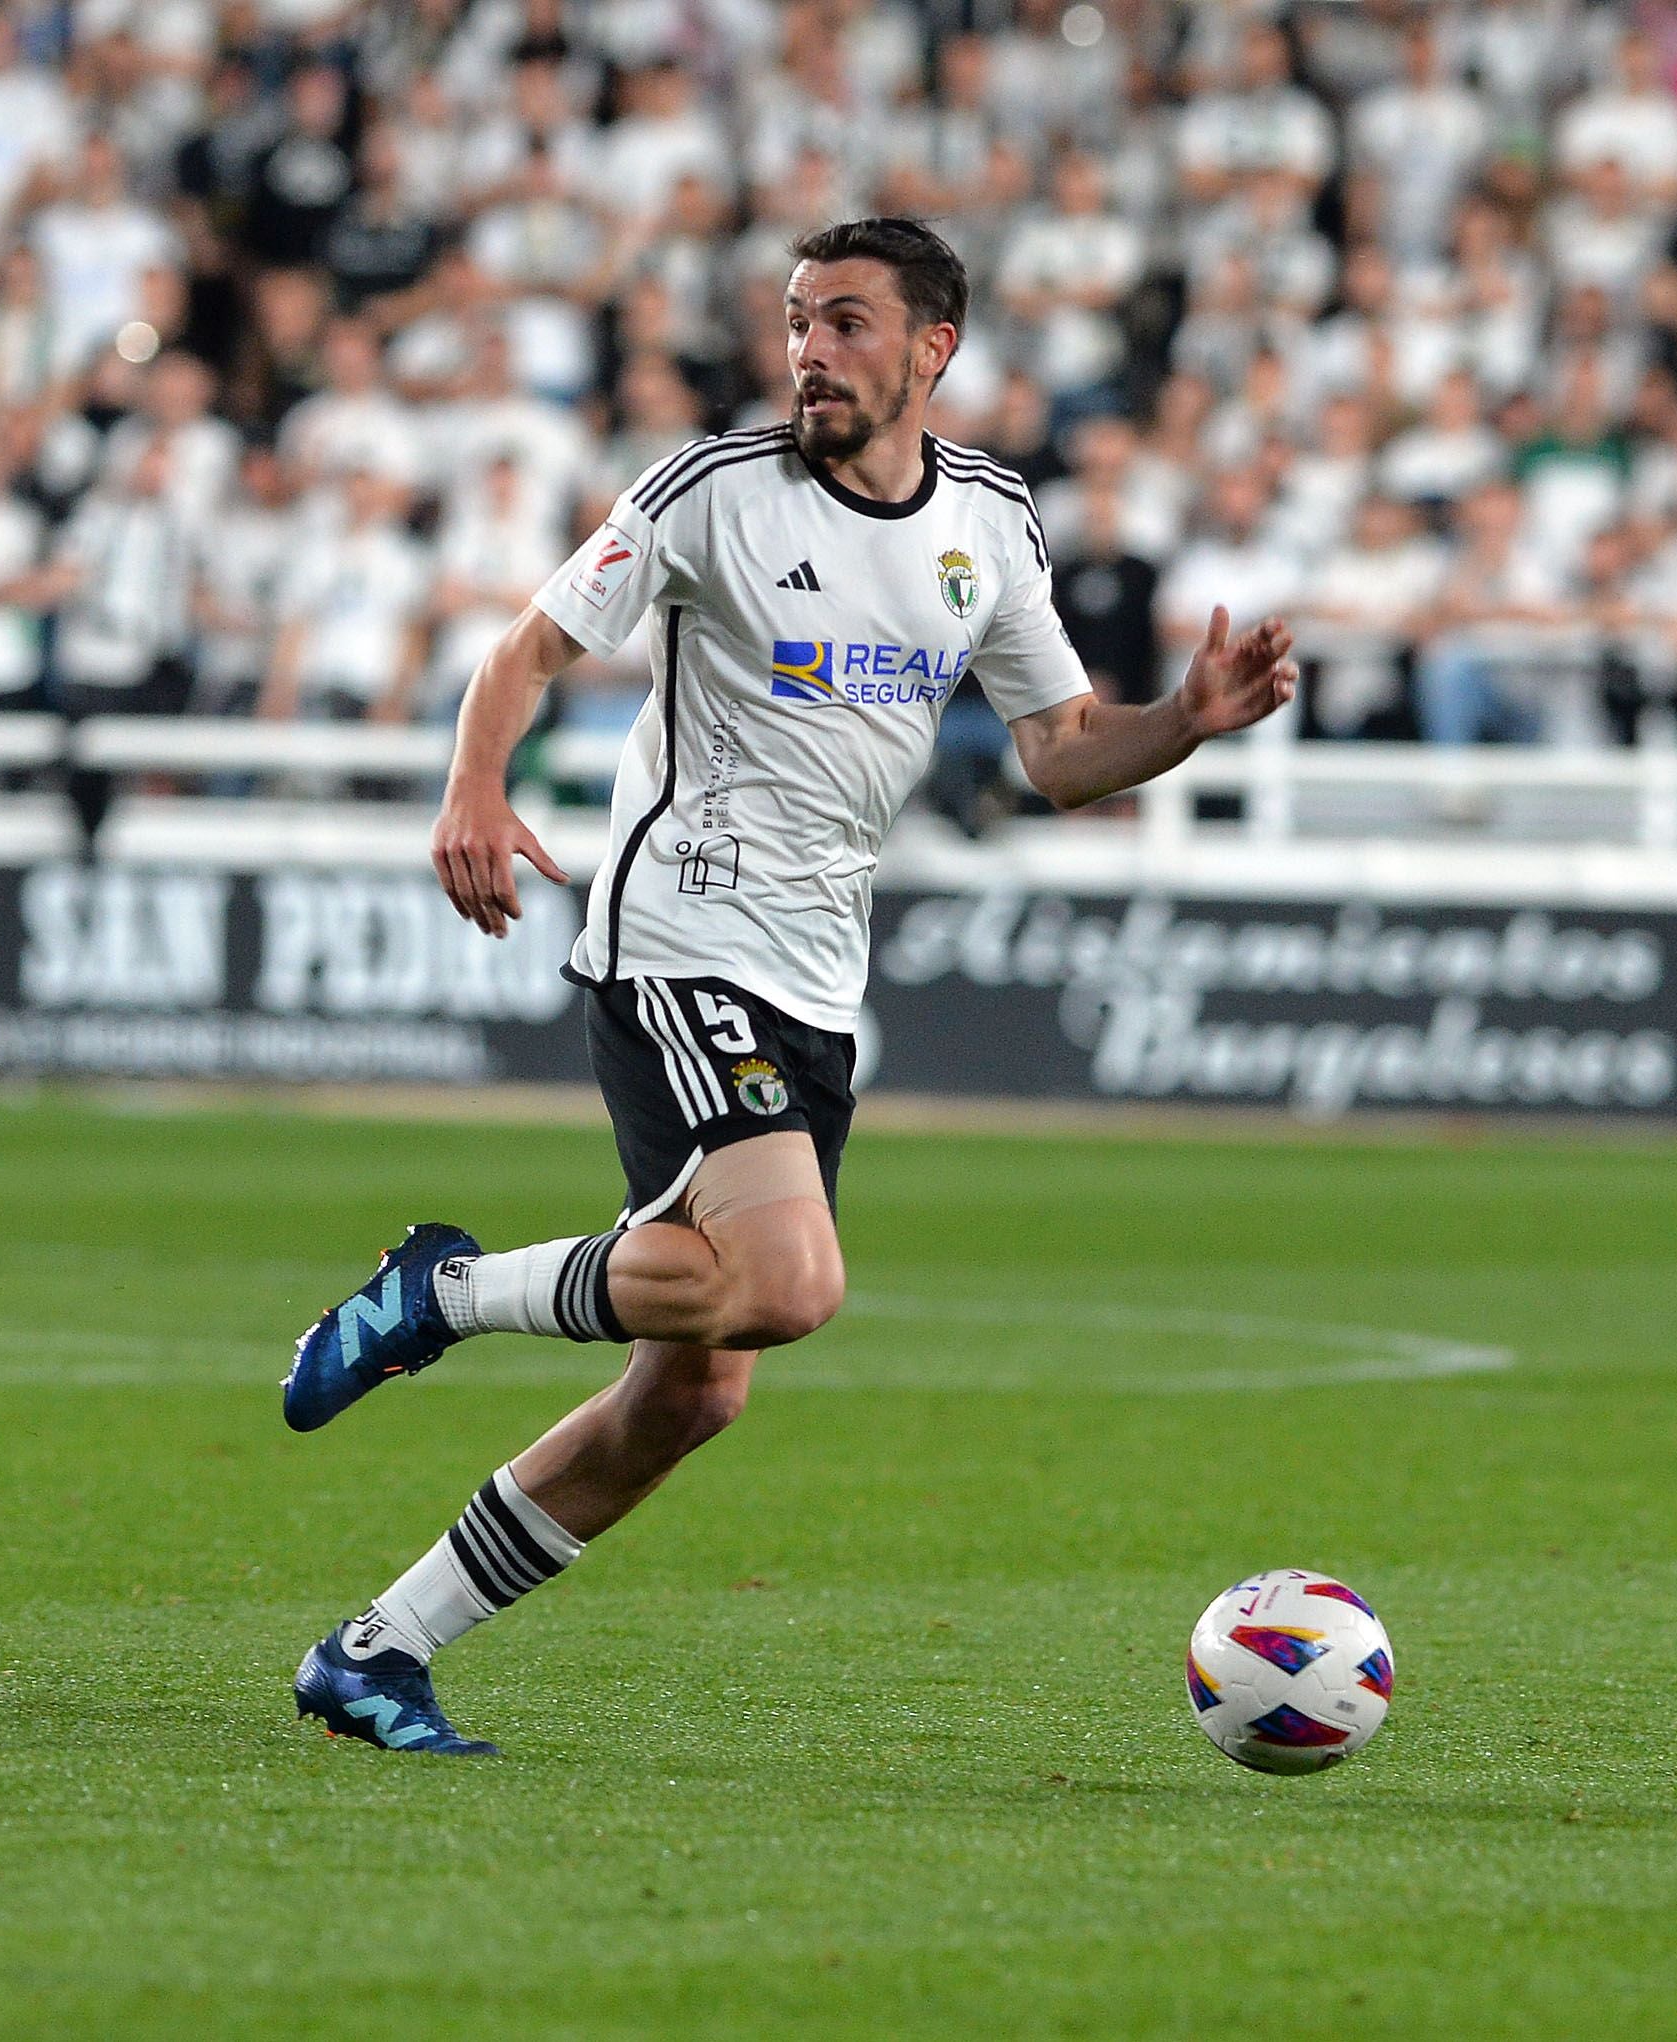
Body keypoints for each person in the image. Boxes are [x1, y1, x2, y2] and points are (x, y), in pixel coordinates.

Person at [278, 219, 1299, 1754]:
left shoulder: (992, 524)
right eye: (797, 322)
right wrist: (472, 790)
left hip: (816, 978)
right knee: (794, 1281)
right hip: (679, 936)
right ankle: (443, 1293)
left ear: (931, 350)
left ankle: (376, 1649)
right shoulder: (709, 491)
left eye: (844, 325)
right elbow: (525, 649)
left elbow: (1061, 749)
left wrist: (1186, 721)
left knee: (692, 1394)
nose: (808, 351)